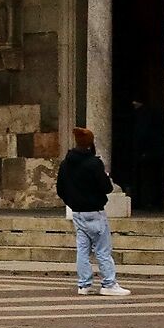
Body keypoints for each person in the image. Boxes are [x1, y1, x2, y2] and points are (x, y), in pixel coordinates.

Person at [58, 126, 130, 297]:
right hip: (94, 211)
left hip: (77, 212)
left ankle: (84, 284)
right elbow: (107, 187)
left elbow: (60, 188)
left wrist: (72, 201)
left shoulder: (66, 163)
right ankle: (109, 283)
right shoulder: (93, 163)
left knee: (82, 250)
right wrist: (104, 176)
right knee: (103, 249)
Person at [129, 97, 164, 214]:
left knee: (148, 179)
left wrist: (141, 151)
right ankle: (156, 202)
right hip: (156, 153)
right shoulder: (154, 115)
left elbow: (143, 134)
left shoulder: (144, 116)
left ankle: (148, 202)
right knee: (156, 178)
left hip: (148, 154)